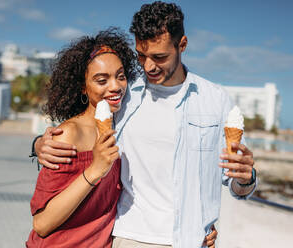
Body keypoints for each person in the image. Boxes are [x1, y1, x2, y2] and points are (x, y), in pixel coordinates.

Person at [32, 2, 256, 247]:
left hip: (193, 240)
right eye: (141, 55)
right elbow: (83, 124)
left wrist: (246, 179)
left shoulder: (215, 100)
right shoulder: (125, 93)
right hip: (131, 238)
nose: (148, 66)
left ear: (182, 45)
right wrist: (38, 144)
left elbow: (236, 183)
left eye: (159, 57)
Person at [26, 28, 139, 247]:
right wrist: (95, 169)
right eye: (101, 80)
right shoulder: (68, 134)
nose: (115, 86)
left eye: (120, 76)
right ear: (83, 87)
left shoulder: (122, 124)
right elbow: (41, 223)